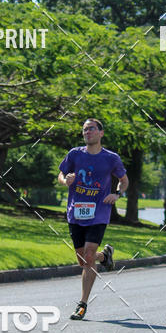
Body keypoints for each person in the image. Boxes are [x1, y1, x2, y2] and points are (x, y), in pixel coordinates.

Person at [58, 118, 128, 321]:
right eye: (84, 130)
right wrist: (65, 181)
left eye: (91, 129)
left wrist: (117, 194)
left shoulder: (111, 158)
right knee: (83, 259)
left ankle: (82, 304)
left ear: (101, 133)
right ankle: (104, 257)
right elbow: (61, 174)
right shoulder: (74, 154)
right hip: (75, 212)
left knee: (88, 254)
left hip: (99, 212)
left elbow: (124, 180)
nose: (87, 132)